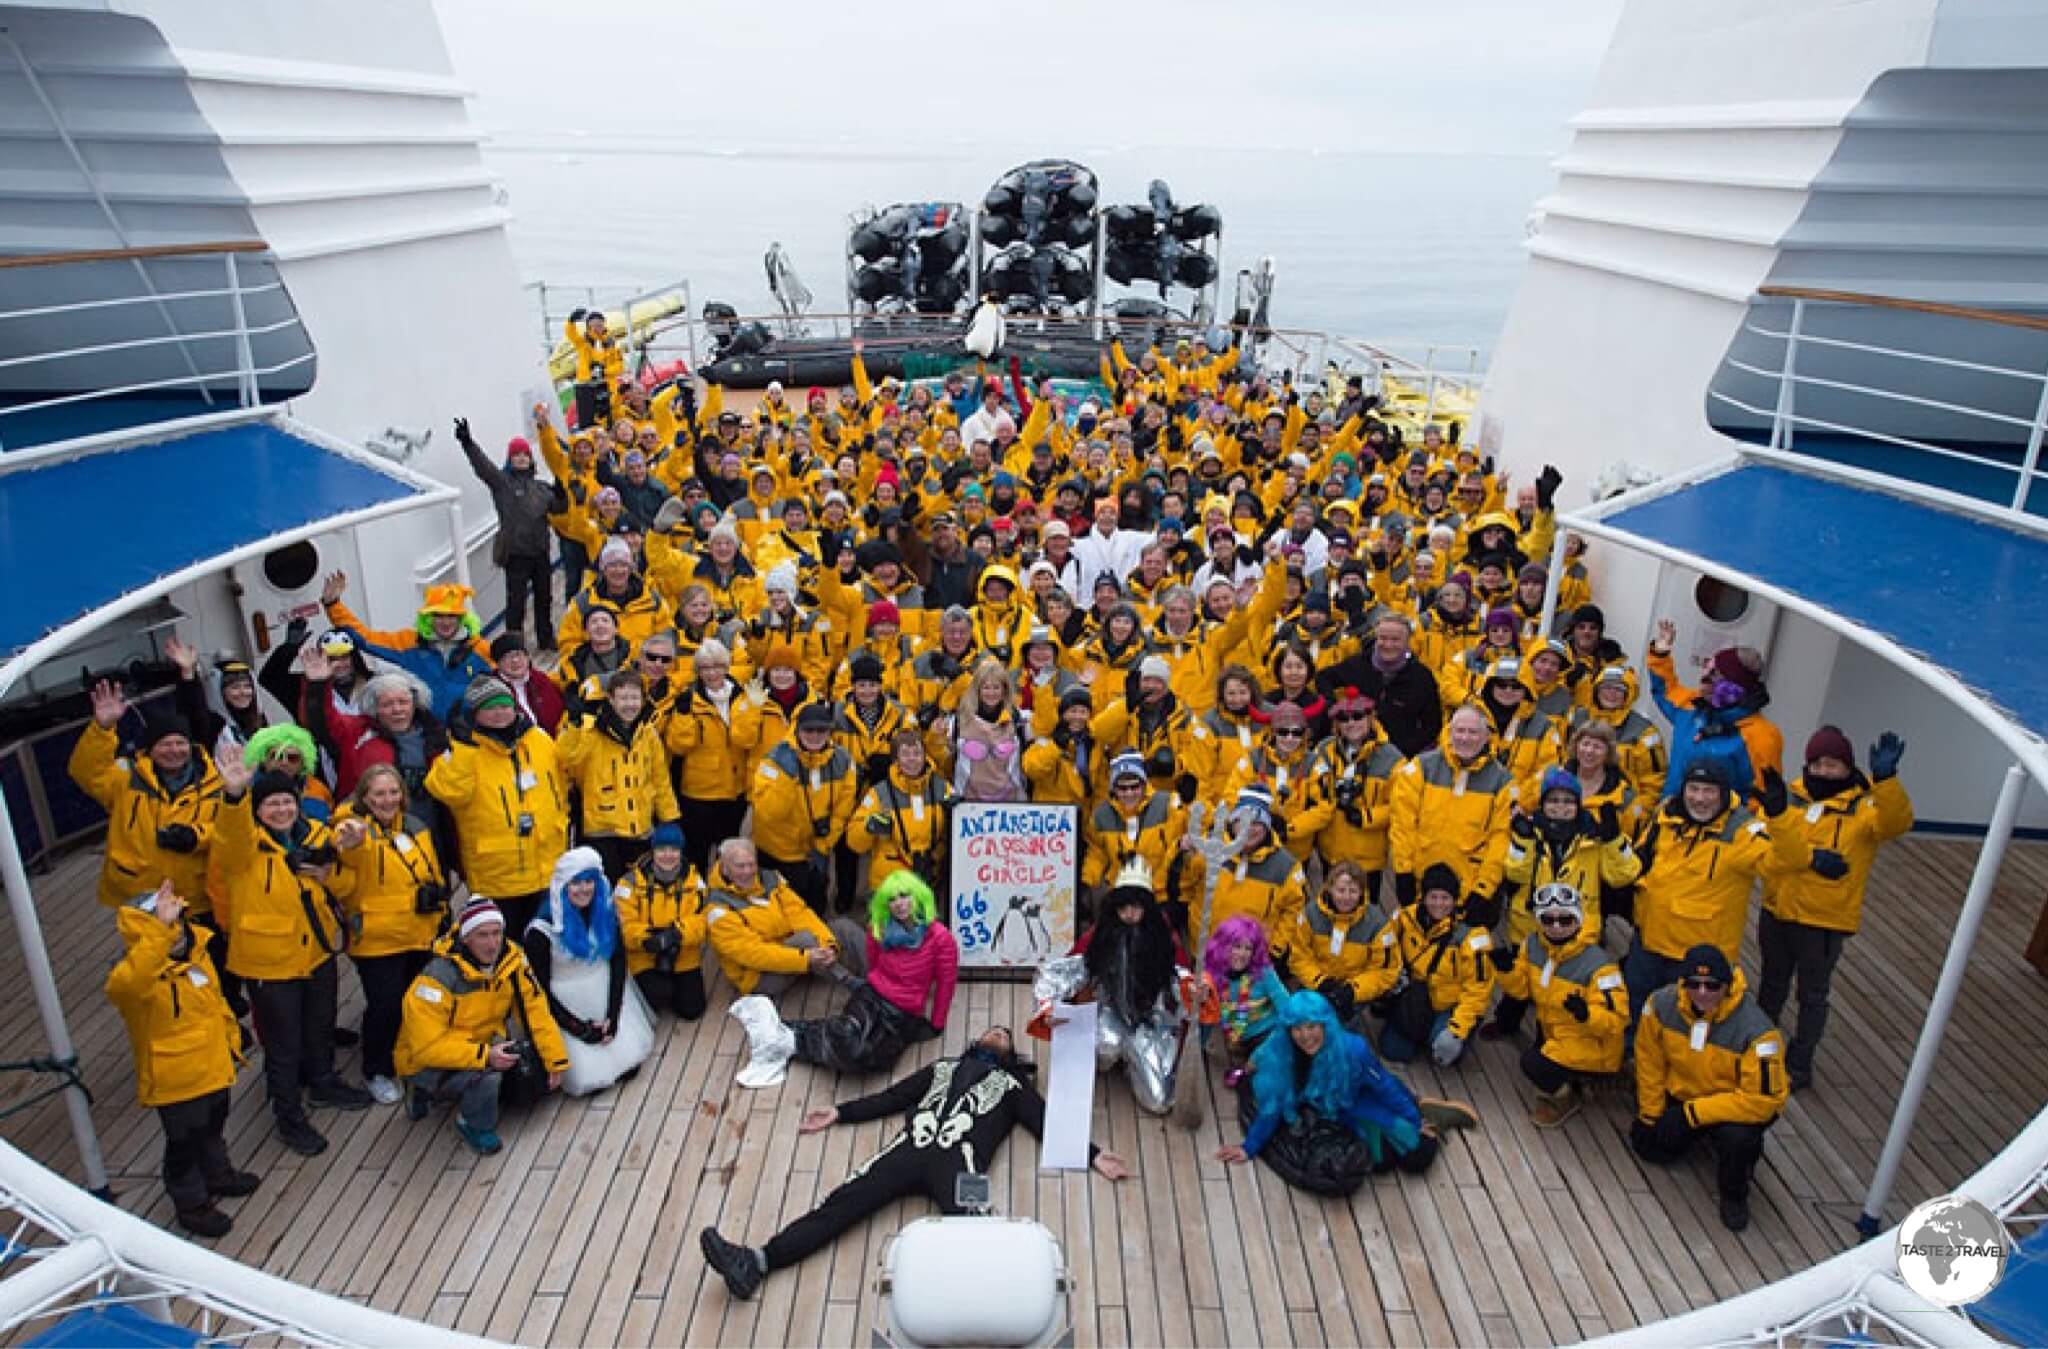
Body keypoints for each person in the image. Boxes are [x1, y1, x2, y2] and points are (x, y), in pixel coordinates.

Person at [705, 1022, 1131, 1300]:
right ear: (977, 1041)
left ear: (1011, 1053)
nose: (998, 1033)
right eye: (992, 1029)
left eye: (1005, 1034)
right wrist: (841, 1112)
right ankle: (757, 1262)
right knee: (839, 1204)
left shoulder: (1013, 1085)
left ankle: (1002, 1310)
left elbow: (1044, 1122)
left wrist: (1093, 1156)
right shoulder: (942, 1067)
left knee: (980, 1233)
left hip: (962, 1164)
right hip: (907, 1150)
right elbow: (895, 1097)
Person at [212, 752, 369, 1157]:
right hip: (269, 964)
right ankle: (289, 1116)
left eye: (286, 802)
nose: (281, 810)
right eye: (271, 804)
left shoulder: (316, 834)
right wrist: (232, 796)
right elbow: (229, 839)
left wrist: (344, 856)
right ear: (256, 809)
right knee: (283, 1047)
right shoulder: (243, 846)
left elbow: (348, 884)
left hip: (316, 953)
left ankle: (323, 1082)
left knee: (319, 1025)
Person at [1756, 728, 1912, 1091]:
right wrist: (1809, 859)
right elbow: (1768, 846)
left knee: (1812, 994)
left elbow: (1895, 824)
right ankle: (1759, 1045)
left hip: (1823, 921)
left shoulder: (1865, 807)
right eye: (1818, 763)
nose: (1825, 771)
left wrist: (1886, 781)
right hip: (1778, 910)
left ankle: (1799, 1062)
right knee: (1772, 983)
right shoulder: (1789, 799)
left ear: (1848, 767)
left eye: (1834, 764)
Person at [106, 881, 258, 1239]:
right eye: (166, 920)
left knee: (213, 1124)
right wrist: (160, 933)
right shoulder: (132, 976)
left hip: (214, 1064)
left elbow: (215, 1002)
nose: (177, 926)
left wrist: (233, 1040)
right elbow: (128, 985)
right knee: (183, 1143)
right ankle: (191, 1204)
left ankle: (218, 1174)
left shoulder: (197, 951)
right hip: (175, 1078)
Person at [1215, 990, 1475, 1194]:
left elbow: (1385, 1086)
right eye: (1297, 1028)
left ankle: (1431, 1117)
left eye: (1312, 1026)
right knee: (1382, 1163)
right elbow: (1273, 1106)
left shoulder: (1353, 1050)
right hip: (1340, 1115)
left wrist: (1414, 1119)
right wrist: (1249, 1148)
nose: (1305, 1036)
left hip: (1365, 1101)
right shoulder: (1282, 1057)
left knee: (1418, 1156)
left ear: (1326, 1025)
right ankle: (1422, 1113)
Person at [1624, 761, 1809, 1024]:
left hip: (1697, 959)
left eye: (1709, 791)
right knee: (1635, 1010)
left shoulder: (1742, 832)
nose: (1700, 799)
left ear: (1723, 794)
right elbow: (1641, 857)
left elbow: (1793, 861)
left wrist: (1780, 817)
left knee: (1684, 1025)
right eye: (1694, 789)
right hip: (1648, 941)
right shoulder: (1667, 815)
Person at [1632, 944, 1789, 1231]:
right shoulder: (1660, 1006)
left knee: (1737, 1139)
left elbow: (1763, 1101)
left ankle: (1735, 1194)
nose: (1702, 992)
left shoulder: (1758, 1033)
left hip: (1734, 1107)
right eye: (1694, 984)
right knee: (1649, 1146)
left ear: (1727, 986)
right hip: (1685, 1094)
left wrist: (1692, 1114)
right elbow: (1649, 1061)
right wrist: (1651, 1113)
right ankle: (1698, 1137)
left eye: (1712, 985)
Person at [397, 898, 569, 1156]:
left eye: (497, 933)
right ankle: (472, 1123)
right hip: (426, 1058)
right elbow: (425, 1047)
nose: (492, 944)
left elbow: (535, 1010)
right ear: (466, 938)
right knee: (488, 1076)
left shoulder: (512, 961)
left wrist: (555, 1060)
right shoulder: (434, 981)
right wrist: (485, 1055)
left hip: (483, 1042)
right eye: (483, 936)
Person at [1033, 858, 1194, 1116]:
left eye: (1136, 907)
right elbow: (1062, 972)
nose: (1130, 913)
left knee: (1159, 1102)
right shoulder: (1100, 937)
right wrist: (1048, 1005)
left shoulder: (1164, 942)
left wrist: (1191, 992)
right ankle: (1114, 1053)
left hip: (1151, 1022)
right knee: (1102, 1049)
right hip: (1110, 1011)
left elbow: (1183, 982)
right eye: (1124, 907)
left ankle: (1134, 1057)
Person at [330, 765, 448, 1106]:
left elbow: (432, 872)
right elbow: (350, 850)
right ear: (363, 797)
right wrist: (351, 839)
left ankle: (413, 1057)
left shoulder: (414, 827)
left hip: (419, 931)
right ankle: (377, 1069)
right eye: (379, 794)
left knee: (418, 1001)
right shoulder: (354, 830)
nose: (388, 800)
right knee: (384, 1006)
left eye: (393, 792)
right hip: (378, 939)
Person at [764, 871, 960, 1075]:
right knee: (847, 1033)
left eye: (904, 895)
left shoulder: (940, 937)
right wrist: (872, 985)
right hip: (873, 994)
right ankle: (790, 1035)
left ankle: (789, 1037)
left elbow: (946, 982)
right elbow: (873, 962)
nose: (899, 904)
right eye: (892, 899)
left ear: (918, 896)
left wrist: (937, 1024)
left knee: (876, 1060)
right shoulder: (879, 927)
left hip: (903, 1011)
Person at [425, 674, 569, 938]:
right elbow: (446, 790)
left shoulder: (537, 738)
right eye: (490, 708)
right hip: (498, 878)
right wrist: (463, 747)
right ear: (474, 714)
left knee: (546, 947)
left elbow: (563, 780)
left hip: (548, 868)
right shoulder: (461, 750)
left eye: (505, 705)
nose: (500, 713)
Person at [69, 679, 222, 910]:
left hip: (196, 896)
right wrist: (102, 729)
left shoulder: (215, 783)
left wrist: (195, 836)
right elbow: (87, 772)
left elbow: (231, 830)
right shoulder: (126, 777)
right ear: (150, 749)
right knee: (148, 946)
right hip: (140, 893)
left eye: (180, 743)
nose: (174, 750)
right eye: (165, 744)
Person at [1490, 884, 1626, 1127]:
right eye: (1548, 919)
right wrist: (1507, 972)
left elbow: (1617, 1022)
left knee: (1533, 1064)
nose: (1556, 927)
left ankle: (1565, 1098)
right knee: (1540, 1055)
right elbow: (1521, 991)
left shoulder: (1599, 965)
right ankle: (1576, 1077)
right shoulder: (1532, 945)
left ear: (1578, 920)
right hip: (1555, 1030)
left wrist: (1588, 1015)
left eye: (1565, 920)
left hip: (1594, 1041)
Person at [524, 847, 655, 1097]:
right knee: (593, 1080)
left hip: (604, 989)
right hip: (566, 1002)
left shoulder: (605, 913)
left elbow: (618, 964)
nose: (584, 889)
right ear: (562, 885)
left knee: (629, 1066)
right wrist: (579, 1028)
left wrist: (613, 1015)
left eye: (589, 882)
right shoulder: (541, 931)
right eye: (576, 883)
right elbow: (538, 990)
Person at [1386, 704, 1512, 921]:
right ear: (1449, 732)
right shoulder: (1421, 767)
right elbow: (1403, 823)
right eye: (1460, 731)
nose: (1465, 738)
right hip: (1421, 884)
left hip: (1470, 889)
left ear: (1486, 737)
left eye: (1473, 732)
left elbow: (1500, 838)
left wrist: (1484, 888)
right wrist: (1403, 870)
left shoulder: (1502, 781)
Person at [555, 668, 681, 880]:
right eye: (623, 698)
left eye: (634, 697)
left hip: (640, 827)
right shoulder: (592, 730)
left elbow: (660, 778)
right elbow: (567, 757)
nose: (629, 704)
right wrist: (575, 725)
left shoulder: (648, 732)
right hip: (603, 830)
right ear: (611, 699)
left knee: (639, 884)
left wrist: (669, 818)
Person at [1365, 863, 1495, 1067]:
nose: (1439, 904)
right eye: (1433, 897)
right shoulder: (1403, 918)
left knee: (1443, 1053)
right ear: (1423, 897)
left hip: (1449, 1006)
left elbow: (1478, 991)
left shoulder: (1472, 938)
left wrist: (1456, 1030)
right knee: (1393, 1051)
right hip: (1414, 997)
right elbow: (1385, 953)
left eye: (1445, 898)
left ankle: (1456, 1032)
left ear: (1455, 900)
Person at [318, 572, 495, 721]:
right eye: (438, 615)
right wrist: (333, 606)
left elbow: (505, 685)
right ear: (428, 618)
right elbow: (366, 639)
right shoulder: (409, 643)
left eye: (452, 616)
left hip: (470, 730)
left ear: (462, 619)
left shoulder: (481, 649)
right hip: (428, 731)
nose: (446, 621)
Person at [703, 838, 865, 997]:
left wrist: (828, 943)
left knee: (844, 927)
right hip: (759, 975)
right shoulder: (717, 908)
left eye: (751, 864)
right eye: (740, 866)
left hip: (794, 949)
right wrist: (805, 958)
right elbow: (753, 954)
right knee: (806, 940)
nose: (748, 871)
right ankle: (854, 985)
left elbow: (799, 913)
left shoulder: (770, 878)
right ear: (724, 869)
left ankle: (879, 975)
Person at [455, 416, 558, 653]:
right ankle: (515, 643)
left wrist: (563, 492)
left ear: (530, 459)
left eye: (525, 455)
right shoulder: (502, 483)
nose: (521, 458)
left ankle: (545, 638)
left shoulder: (542, 487)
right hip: (516, 554)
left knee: (544, 598)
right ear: (510, 459)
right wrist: (468, 443)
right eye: (516, 455)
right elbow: (483, 468)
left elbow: (558, 507)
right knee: (516, 603)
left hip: (540, 552)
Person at [665, 639, 764, 877]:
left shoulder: (742, 696)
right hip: (699, 793)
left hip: (733, 791)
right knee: (697, 853)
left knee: (727, 853)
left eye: (717, 666)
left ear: (726, 667)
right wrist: (683, 714)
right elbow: (680, 745)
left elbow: (746, 739)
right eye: (705, 668)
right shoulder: (689, 699)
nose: (712, 673)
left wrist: (751, 707)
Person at [752, 700, 859, 913]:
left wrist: (825, 843)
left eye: (822, 730)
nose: (815, 735)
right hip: (779, 852)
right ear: (798, 730)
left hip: (816, 850)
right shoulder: (774, 762)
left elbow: (842, 810)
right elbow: (770, 814)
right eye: (809, 730)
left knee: (815, 907)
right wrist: (786, 778)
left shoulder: (843, 761)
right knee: (779, 912)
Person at [616, 822, 709, 1021]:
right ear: (653, 851)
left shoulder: (695, 881)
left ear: (681, 851)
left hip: (683, 953)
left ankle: (675, 987)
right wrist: (648, 938)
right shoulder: (629, 882)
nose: (668, 855)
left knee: (692, 1010)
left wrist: (676, 933)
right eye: (662, 849)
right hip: (645, 955)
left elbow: (702, 921)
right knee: (656, 997)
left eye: (674, 849)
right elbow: (623, 923)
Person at [845, 727, 954, 896]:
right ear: (896, 759)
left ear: (925, 756)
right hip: (890, 884)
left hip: (929, 877)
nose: (912, 759)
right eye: (905, 754)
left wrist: (958, 810)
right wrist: (869, 827)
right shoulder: (879, 794)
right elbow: (853, 842)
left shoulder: (943, 788)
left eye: (917, 753)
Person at [1315, 612, 1442, 757]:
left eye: (1395, 640)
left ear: (1407, 642)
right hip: (1357, 751)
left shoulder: (1421, 677)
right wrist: (1334, 706)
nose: (1388, 645)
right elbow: (1323, 677)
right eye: (1383, 638)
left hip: (1401, 756)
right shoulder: (1358, 665)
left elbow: (1432, 725)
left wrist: (1406, 751)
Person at [1287, 861, 1388, 1025]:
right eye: (1341, 890)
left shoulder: (1377, 924)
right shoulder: (1310, 915)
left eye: (1353, 891)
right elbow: (1298, 956)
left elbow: (1385, 970)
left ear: (1362, 892)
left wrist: (1352, 990)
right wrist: (1320, 981)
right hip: (1317, 984)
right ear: (1330, 888)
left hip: (1354, 993)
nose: (1346, 897)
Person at [1200, 914, 1288, 1083]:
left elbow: (1289, 1013)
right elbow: (1203, 1019)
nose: (1242, 954)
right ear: (1223, 946)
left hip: (1269, 1038)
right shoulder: (1212, 975)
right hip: (1235, 1043)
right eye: (1236, 946)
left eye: (1248, 948)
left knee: (1265, 1083)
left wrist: (1260, 1055)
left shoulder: (1264, 973)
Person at [491, 632, 565, 734]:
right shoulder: (494, 692)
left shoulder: (541, 680)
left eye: (518, 654)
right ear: (498, 663)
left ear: (527, 657)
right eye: (507, 657)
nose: (515, 660)